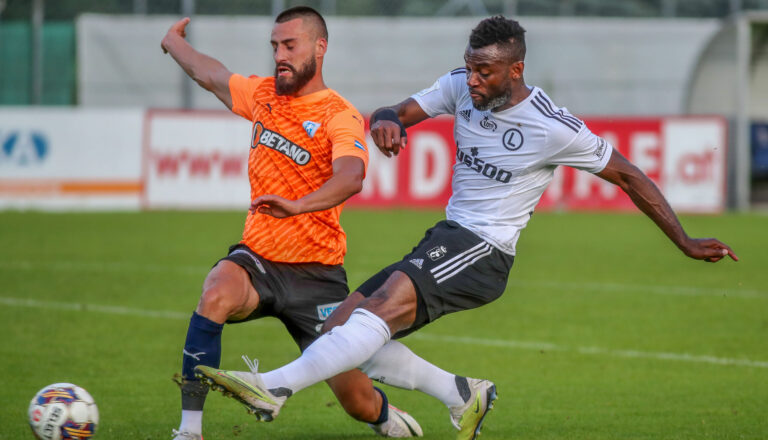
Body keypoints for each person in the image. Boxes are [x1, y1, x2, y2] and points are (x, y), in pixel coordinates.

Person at [194, 14, 739, 440]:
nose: (473, 80)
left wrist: (686, 241)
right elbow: (396, 111)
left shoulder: (553, 127)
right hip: (448, 236)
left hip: (485, 250)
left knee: (377, 313)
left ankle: (271, 388)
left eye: (485, 72)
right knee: (341, 324)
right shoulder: (460, 86)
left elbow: (629, 174)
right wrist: (386, 121)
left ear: (516, 71)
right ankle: (461, 394)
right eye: (470, 67)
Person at [160, 6, 431, 439]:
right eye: (274, 46)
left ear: (319, 48)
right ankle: (189, 430)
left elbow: (351, 176)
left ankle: (384, 416)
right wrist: (174, 43)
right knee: (216, 291)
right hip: (259, 260)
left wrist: (299, 205)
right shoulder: (264, 94)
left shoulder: (338, 113)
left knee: (356, 400)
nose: (279, 55)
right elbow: (211, 75)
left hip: (317, 276)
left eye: (290, 45)